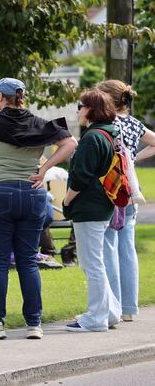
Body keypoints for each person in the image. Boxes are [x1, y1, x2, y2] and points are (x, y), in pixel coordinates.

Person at [0, 78, 76, 340]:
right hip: (33, 194)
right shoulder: (39, 123)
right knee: (28, 261)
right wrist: (44, 168)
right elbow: (71, 143)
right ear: (21, 97)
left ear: (0, 98)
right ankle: (34, 324)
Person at [63, 89, 123, 332]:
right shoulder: (109, 134)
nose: (78, 110)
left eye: (81, 106)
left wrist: (67, 201)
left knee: (92, 264)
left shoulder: (92, 137)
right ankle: (109, 313)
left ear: (91, 110)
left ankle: (96, 318)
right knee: (95, 262)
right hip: (102, 206)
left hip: (89, 208)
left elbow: (80, 177)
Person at [96, 80, 155, 322]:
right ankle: (129, 307)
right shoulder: (133, 123)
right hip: (131, 189)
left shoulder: (107, 124)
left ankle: (114, 307)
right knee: (127, 249)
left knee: (108, 247)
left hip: (111, 189)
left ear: (107, 99)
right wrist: (133, 158)